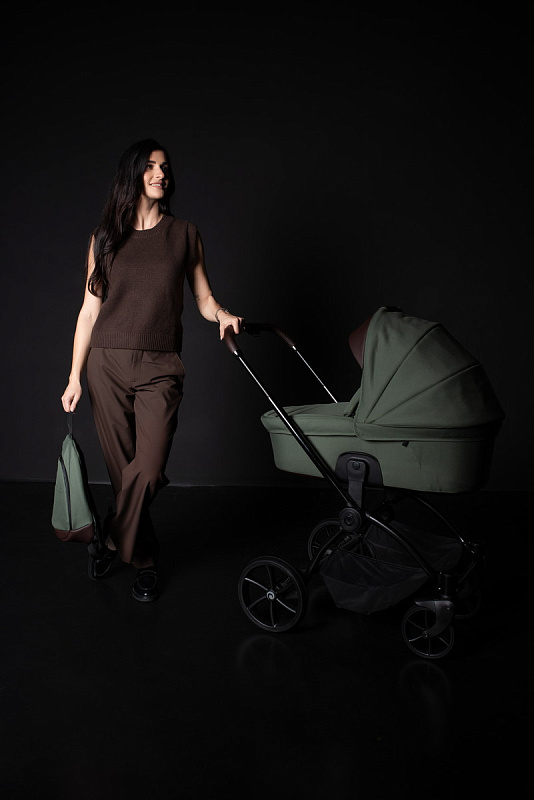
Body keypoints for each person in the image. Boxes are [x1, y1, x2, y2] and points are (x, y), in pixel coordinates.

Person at [61, 139, 243, 602]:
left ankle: (108, 538)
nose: (161, 174)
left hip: (161, 366)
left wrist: (222, 315)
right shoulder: (104, 239)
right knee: (123, 473)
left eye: (164, 167)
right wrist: (74, 376)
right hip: (106, 364)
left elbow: (203, 297)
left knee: (149, 467)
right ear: (132, 175)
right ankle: (144, 559)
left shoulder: (184, 234)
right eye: (150, 167)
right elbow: (89, 311)